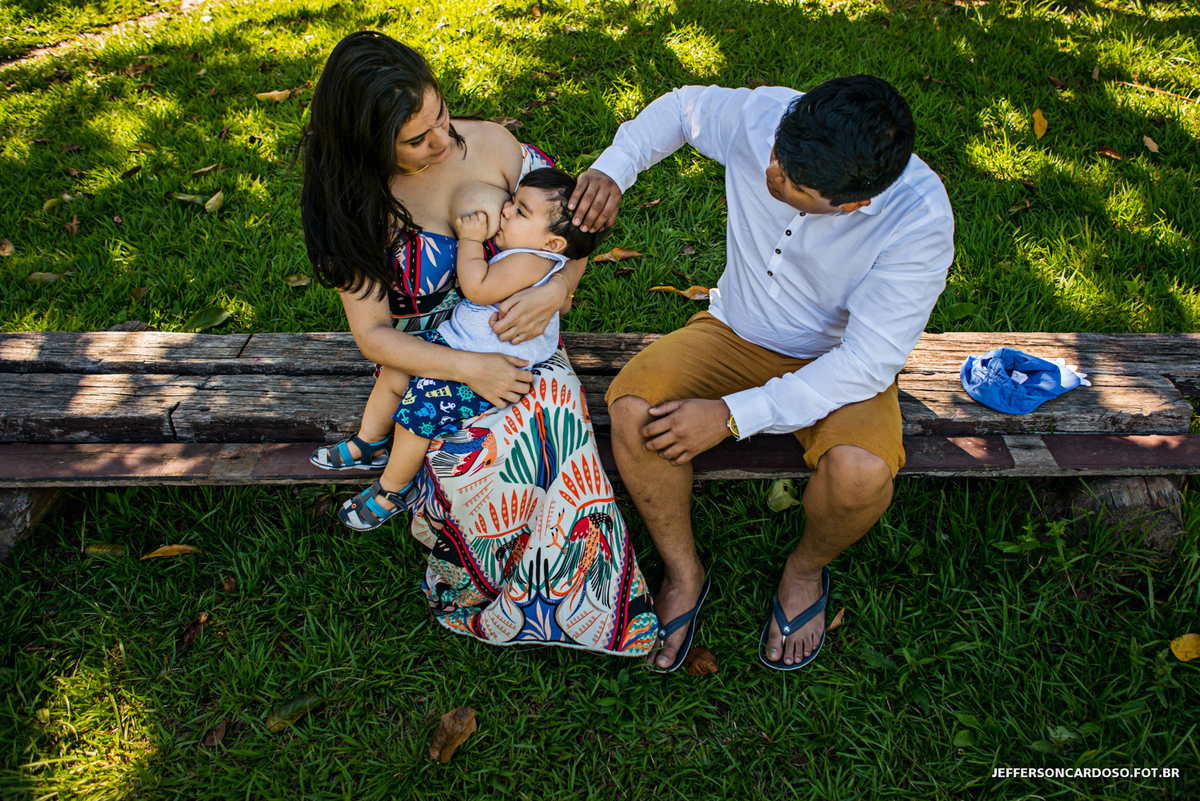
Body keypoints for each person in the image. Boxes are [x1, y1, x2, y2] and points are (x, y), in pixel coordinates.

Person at [568, 77, 954, 671]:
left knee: (861, 475)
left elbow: (866, 362)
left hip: (836, 362)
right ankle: (683, 571)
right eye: (778, 154)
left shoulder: (918, 220)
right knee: (634, 410)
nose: (771, 172)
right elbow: (682, 109)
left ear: (851, 204)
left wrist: (732, 415)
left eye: (793, 182)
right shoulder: (767, 117)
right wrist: (614, 169)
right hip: (735, 332)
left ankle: (804, 571)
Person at [301, 31, 657, 656]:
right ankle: (491, 585)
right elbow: (374, 336)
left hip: (524, 347)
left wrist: (559, 288)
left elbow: (573, 228)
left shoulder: (493, 145)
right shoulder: (351, 208)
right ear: (365, 143)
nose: (443, 142)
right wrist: (469, 368)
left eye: (441, 117)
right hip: (429, 353)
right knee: (479, 465)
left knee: (554, 435)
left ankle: (585, 604)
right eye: (417, 139)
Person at [312, 168, 607, 532]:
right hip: (461, 348)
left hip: (491, 368)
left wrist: (470, 239)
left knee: (418, 412)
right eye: (512, 202)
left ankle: (393, 488)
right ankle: (369, 442)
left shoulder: (531, 261)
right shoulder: (530, 253)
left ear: (552, 243)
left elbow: (477, 288)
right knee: (396, 372)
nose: (505, 211)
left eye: (520, 211)